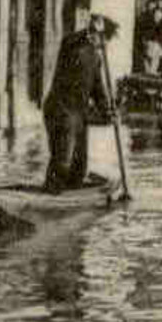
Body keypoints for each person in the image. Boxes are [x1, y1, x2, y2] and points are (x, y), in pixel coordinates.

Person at [42, 11, 116, 192]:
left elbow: (98, 90)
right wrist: (87, 32)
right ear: (96, 35)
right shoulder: (73, 46)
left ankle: (69, 198)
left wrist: (108, 112)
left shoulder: (96, 57)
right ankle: (51, 196)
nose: (104, 45)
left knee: (79, 167)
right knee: (62, 162)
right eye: (103, 40)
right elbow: (70, 41)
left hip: (78, 115)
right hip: (60, 110)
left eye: (104, 42)